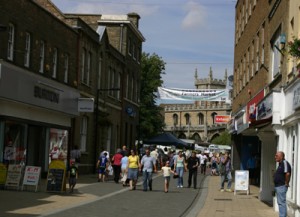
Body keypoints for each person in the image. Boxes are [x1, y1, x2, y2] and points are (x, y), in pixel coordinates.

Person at [274, 151, 291, 217]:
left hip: (281, 186)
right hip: (278, 186)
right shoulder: (280, 164)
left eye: (277, 156)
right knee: (280, 203)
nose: (275, 157)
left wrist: (286, 183)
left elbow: (287, 173)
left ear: (281, 157)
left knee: (281, 203)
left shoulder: (285, 163)